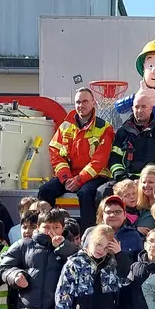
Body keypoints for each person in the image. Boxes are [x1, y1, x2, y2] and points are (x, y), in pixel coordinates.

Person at [36, 87, 115, 230]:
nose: (81, 105)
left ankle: (88, 234)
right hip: (68, 175)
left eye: (85, 101)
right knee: (45, 191)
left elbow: (99, 161)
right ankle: (47, 229)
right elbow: (55, 152)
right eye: (78, 102)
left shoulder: (104, 128)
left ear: (93, 103)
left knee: (86, 193)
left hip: (95, 175)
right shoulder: (65, 126)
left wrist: (79, 179)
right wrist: (66, 178)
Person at [102, 89, 155, 201]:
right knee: (102, 192)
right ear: (132, 109)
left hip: (152, 181)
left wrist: (146, 180)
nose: (140, 110)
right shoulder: (123, 131)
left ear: (151, 109)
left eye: (144, 107)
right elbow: (114, 160)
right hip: (126, 179)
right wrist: (124, 180)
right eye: (136, 107)